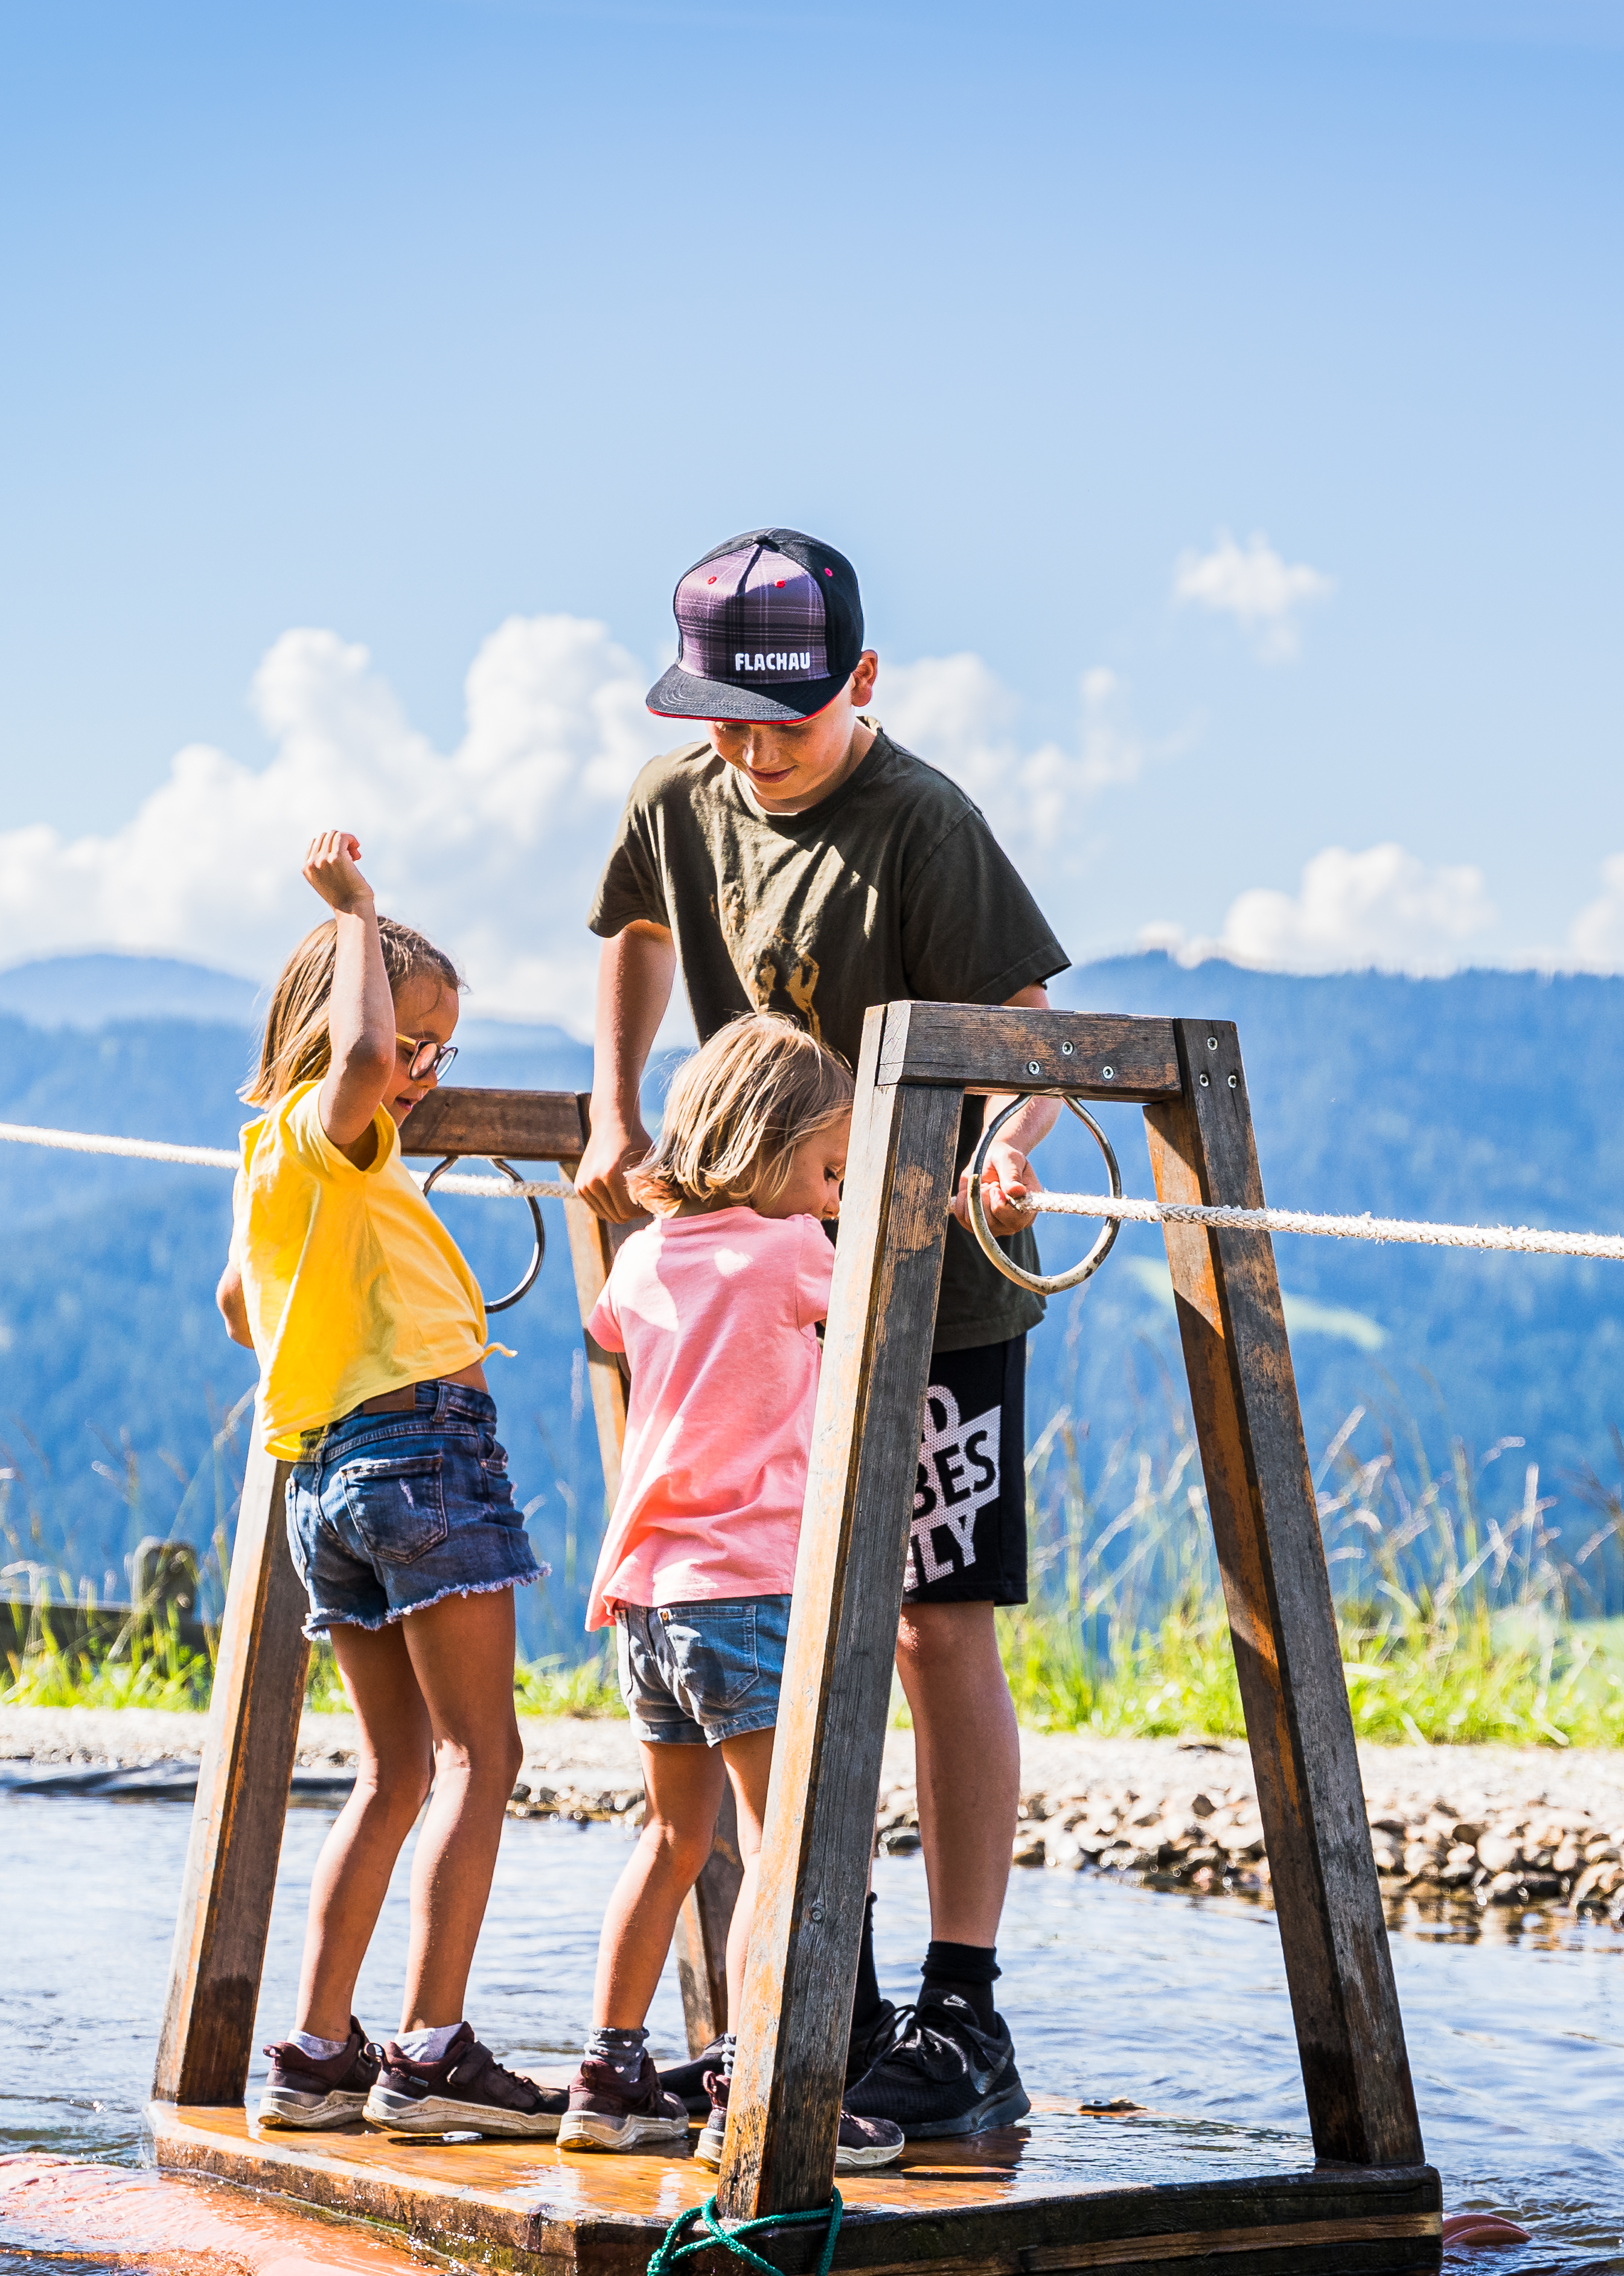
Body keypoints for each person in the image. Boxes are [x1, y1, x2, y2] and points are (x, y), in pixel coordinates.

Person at [574, 528, 1060, 2140]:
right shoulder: (676, 798)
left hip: (934, 1299)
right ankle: (817, 2009)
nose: (748, 747)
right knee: (774, 1636)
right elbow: (633, 931)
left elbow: (1038, 1035)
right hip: (764, 1289)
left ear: (860, 682)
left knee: (930, 1631)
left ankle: (962, 2008)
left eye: (780, 717)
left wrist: (1006, 1138)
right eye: (721, 716)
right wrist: (612, 1104)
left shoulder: (917, 823)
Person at [220, 829, 560, 2140]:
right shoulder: (330, 1121)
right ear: (337, 1025)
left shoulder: (269, 1160)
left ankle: (315, 2055)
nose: (417, 1073)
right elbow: (354, 1065)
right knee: (486, 1753)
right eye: (409, 1044)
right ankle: (428, 2052)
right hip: (420, 1450)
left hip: (323, 1479)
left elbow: (239, 1307)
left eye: (438, 1052)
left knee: (396, 1769)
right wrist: (362, 909)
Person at [552, 1014, 904, 2172]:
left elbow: (607, 1327)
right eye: (829, 1165)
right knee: (782, 1846)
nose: (834, 1188)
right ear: (771, 1145)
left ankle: (606, 2077)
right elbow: (888, 1266)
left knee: (669, 1834)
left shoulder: (647, 1256)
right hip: (743, 1589)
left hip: (647, 1598)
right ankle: (759, 2087)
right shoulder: (792, 1246)